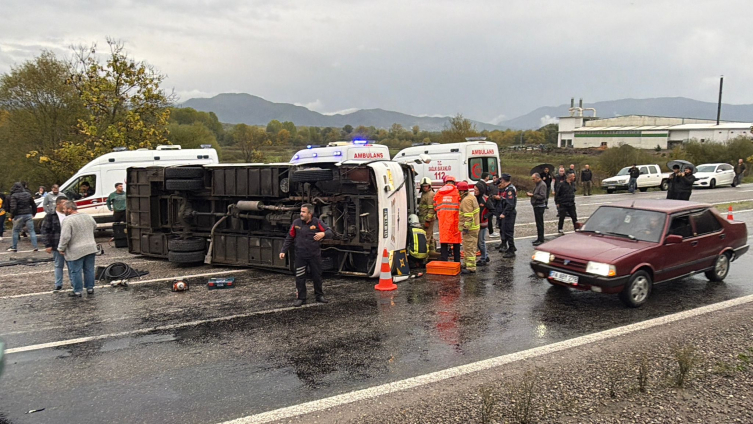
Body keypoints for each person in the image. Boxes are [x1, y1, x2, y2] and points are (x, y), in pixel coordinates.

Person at [279, 204, 333, 307]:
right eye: (301, 211)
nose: (301, 214)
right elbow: (289, 237)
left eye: (303, 212)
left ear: (310, 213)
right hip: (300, 255)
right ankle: (301, 298)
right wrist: (283, 251)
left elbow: (330, 232)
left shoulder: (317, 222)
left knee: (317, 276)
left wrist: (323, 234)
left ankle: (319, 296)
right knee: (300, 277)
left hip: (314, 255)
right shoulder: (296, 223)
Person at [58, 200, 98, 297]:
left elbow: (65, 236)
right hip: (90, 247)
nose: (63, 211)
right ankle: (90, 288)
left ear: (69, 209)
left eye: (64, 209)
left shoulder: (68, 220)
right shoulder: (87, 216)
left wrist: (61, 248)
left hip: (75, 250)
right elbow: (95, 226)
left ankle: (77, 291)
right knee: (89, 269)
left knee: (76, 271)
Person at [41, 196, 68, 291]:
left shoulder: (69, 214)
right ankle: (58, 284)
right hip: (57, 244)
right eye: (64, 203)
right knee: (58, 265)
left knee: (72, 266)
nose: (66, 205)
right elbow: (45, 230)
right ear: (58, 204)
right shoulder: (50, 216)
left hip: (70, 244)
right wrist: (47, 245)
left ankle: (74, 283)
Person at [434, 176, 461, 263]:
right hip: (455, 220)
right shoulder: (457, 192)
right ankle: (457, 262)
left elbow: (435, 204)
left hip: (443, 221)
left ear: (445, 182)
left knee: (444, 241)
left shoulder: (439, 191)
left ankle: (444, 262)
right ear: (454, 182)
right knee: (456, 242)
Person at [8, 182, 38, 253]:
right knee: (31, 231)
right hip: (28, 214)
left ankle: (14, 247)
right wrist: (33, 213)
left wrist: (12, 216)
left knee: (15, 231)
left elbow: (13, 208)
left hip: (19, 215)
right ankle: (35, 246)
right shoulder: (28, 194)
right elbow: (33, 205)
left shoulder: (14, 196)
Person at [457, 181, 480, 274]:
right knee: (467, 247)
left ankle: (471, 267)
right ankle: (467, 264)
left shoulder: (466, 201)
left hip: (470, 229)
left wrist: (466, 228)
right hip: (473, 227)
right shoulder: (471, 197)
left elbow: (468, 216)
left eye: (459, 191)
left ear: (462, 191)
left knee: (469, 248)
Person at [498, 174, 517, 258]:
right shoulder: (506, 188)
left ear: (504, 180)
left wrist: (504, 213)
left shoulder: (510, 190)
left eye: (501, 180)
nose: (500, 181)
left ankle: (511, 250)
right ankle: (511, 247)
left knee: (509, 232)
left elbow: (510, 204)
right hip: (507, 212)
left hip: (509, 213)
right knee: (505, 230)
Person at [527, 173, 547, 246]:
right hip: (536, 205)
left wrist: (533, 195)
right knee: (538, 223)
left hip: (540, 206)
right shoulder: (538, 184)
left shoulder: (542, 185)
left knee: (540, 223)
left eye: (534, 179)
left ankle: (541, 239)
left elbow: (542, 196)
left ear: (538, 178)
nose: (533, 180)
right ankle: (539, 238)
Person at [417, 177, 436, 254]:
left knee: (426, 238)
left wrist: (428, 220)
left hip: (427, 220)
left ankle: (425, 255)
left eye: (426, 186)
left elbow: (431, 209)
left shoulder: (430, 195)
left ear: (429, 186)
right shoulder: (424, 194)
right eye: (423, 186)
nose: (425, 188)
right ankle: (432, 252)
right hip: (423, 219)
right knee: (430, 236)